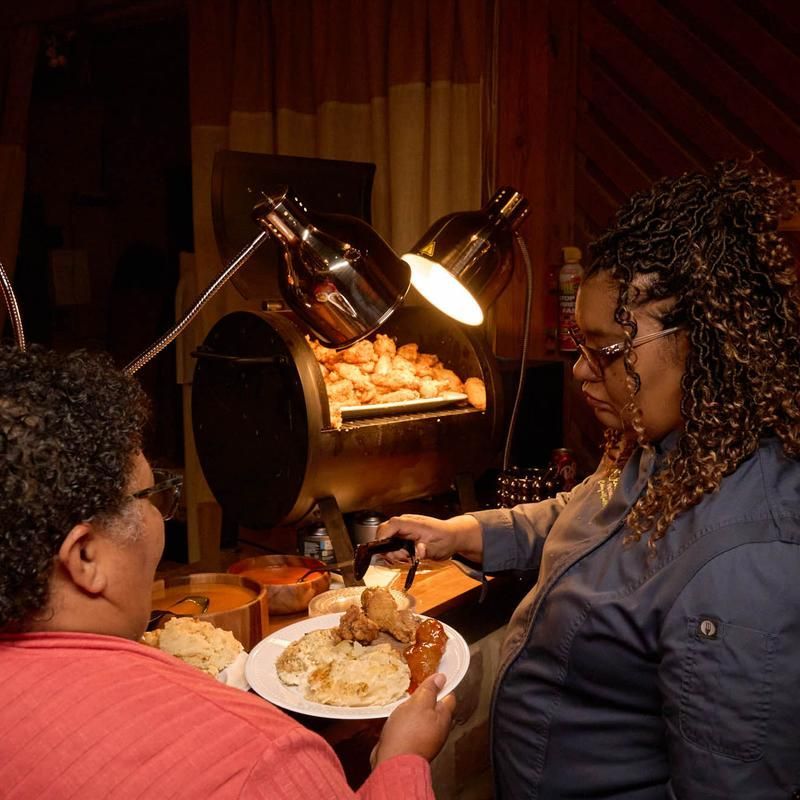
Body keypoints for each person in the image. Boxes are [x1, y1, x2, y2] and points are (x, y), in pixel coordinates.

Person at [378, 162, 800, 799]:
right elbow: (592, 514)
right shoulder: (675, 445)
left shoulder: (747, 564)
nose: (579, 371)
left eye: (604, 349)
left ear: (706, 344)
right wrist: (464, 533)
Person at [0, 345, 455, 799]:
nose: (162, 515)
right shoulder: (264, 759)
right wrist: (400, 762)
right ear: (84, 557)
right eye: (152, 498)